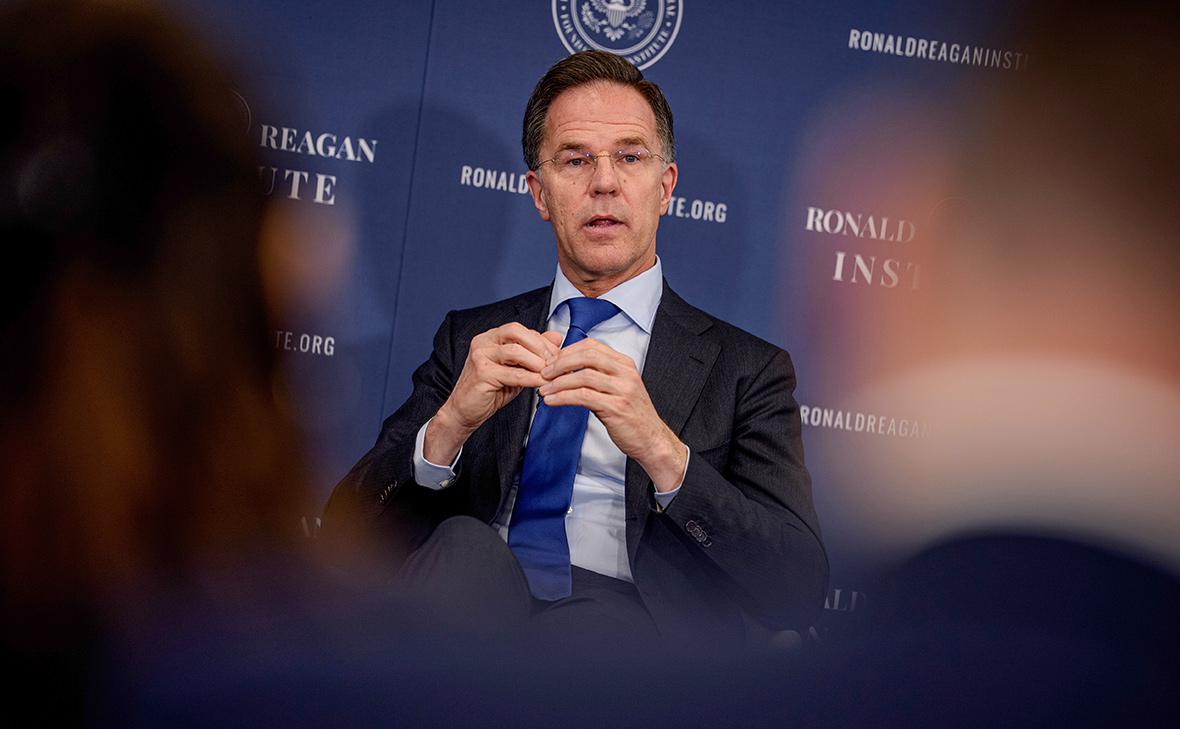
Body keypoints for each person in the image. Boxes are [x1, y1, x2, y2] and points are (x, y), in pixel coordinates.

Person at [323, 50, 828, 644]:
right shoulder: (472, 340)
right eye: (575, 160)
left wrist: (663, 451)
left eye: (630, 157)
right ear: (540, 194)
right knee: (463, 549)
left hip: (625, 636)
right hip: (471, 610)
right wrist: (448, 427)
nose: (604, 182)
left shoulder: (746, 370)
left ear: (665, 188)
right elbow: (344, 534)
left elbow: (797, 590)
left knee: (591, 630)